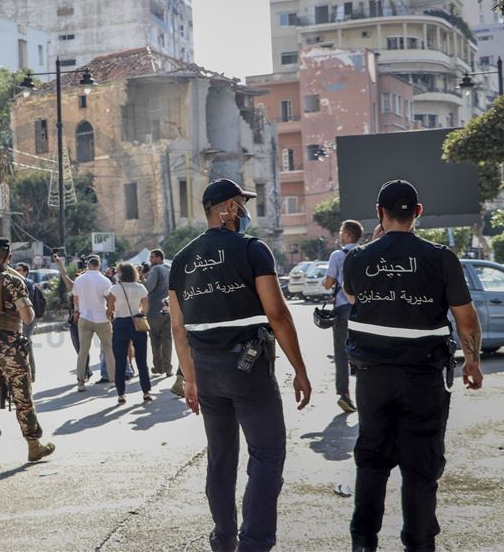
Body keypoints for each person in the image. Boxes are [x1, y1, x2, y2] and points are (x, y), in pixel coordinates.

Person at [169, 179, 312, 552]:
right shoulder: (252, 250)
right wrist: (300, 368)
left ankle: (223, 540)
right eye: (242, 203)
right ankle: (255, 543)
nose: (246, 210)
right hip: (249, 372)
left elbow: (178, 329)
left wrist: (189, 380)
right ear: (228, 208)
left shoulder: (181, 260)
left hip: (206, 371)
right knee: (267, 455)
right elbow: (277, 313)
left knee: (220, 458)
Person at [343, 180, 483, 552]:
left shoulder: (357, 258)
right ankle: (419, 544)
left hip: (372, 379)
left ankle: (363, 543)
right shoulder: (440, 258)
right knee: (421, 467)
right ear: (418, 213)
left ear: (379, 213)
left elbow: (355, 296)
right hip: (423, 379)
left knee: (371, 462)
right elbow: (465, 320)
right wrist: (472, 361)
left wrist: (376, 247)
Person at [0, 238, 54, 471]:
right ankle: (33, 446)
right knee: (22, 394)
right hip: (10, 345)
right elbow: (27, 317)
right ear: (9, 257)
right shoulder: (13, 281)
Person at [322, 219, 364, 413]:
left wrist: (327, 282)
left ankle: (344, 394)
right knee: (363, 350)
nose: (339, 235)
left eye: (341, 231)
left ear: (347, 235)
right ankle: (366, 394)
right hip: (363, 309)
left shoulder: (338, 255)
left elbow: (329, 283)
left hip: (343, 308)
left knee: (341, 352)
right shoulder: (365, 253)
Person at [106, 264, 152, 404]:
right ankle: (146, 392)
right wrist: (139, 315)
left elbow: (110, 308)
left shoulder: (115, 288)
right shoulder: (141, 288)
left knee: (120, 360)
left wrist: (111, 316)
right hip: (136, 322)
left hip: (120, 324)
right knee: (141, 360)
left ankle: (121, 394)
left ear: (122, 273)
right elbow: (145, 308)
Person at [72, 256, 115, 392]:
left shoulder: (79, 280)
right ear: (99, 266)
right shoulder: (105, 280)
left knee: (83, 351)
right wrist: (110, 311)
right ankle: (113, 379)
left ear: (88, 265)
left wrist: (77, 311)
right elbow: (110, 298)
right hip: (101, 317)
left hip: (85, 317)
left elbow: (75, 298)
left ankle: (80, 382)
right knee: (108, 348)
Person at [144, 249, 174, 378]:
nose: (150, 260)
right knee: (167, 339)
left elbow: (148, 287)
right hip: (168, 309)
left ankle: (158, 367)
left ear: (159, 258)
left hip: (155, 310)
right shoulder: (170, 267)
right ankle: (168, 369)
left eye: (152, 257)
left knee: (155, 340)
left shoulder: (155, 270)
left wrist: (142, 278)